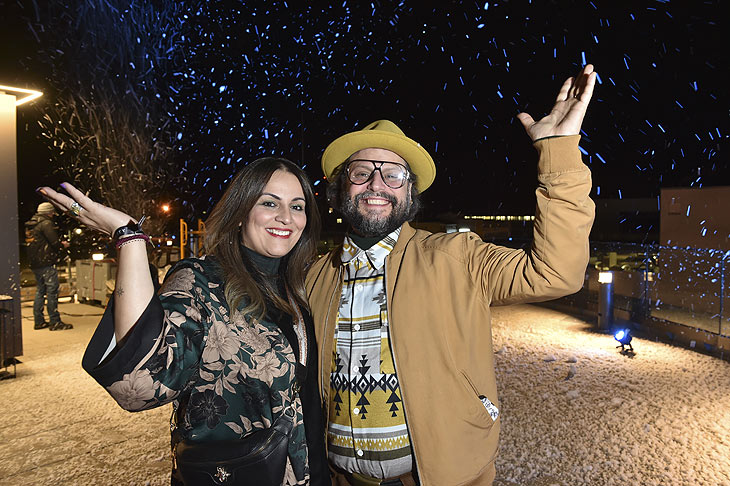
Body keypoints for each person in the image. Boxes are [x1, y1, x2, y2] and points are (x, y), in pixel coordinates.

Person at [305, 65, 598, 486]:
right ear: (339, 188)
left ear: (410, 192)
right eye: (361, 172)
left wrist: (558, 150)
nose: (376, 184)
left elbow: (556, 272)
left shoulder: (456, 257)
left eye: (393, 174)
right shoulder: (315, 278)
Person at [38, 158, 331, 486]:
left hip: (310, 471)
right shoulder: (201, 281)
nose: (286, 217)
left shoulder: (299, 287)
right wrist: (130, 239)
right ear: (240, 212)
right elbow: (139, 385)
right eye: (269, 203)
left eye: (298, 206)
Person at [25, 201, 72, 330]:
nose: (53, 215)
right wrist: (63, 245)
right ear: (49, 212)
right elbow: (54, 243)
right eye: (52, 212)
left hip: (35, 263)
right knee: (52, 291)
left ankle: (39, 321)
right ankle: (55, 321)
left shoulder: (31, 224)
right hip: (46, 262)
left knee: (40, 290)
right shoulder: (46, 223)